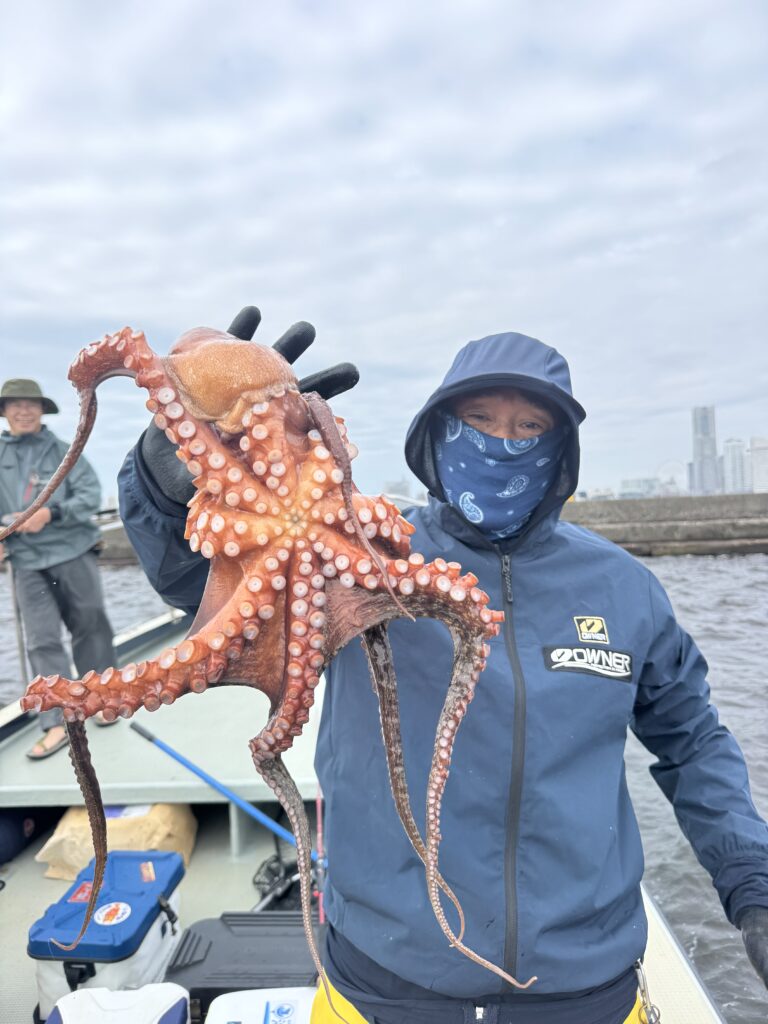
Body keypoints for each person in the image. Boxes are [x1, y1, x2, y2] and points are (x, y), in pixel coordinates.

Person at [117, 309, 768, 1023]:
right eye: (478, 420)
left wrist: (752, 883)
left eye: (529, 427)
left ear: (562, 449)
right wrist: (165, 475)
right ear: (435, 433)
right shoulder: (360, 558)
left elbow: (693, 742)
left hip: (582, 987)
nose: (501, 444)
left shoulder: (623, 588)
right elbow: (195, 579)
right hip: (385, 978)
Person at [0, 378, 116, 759]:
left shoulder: (65, 451)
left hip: (73, 550)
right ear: (5, 412)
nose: (23, 411)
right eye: (15, 405)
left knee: (91, 623)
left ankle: (100, 700)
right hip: (26, 562)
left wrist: (50, 513)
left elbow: (90, 495)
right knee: (41, 640)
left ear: (41, 410)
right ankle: (56, 722)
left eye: (30, 404)